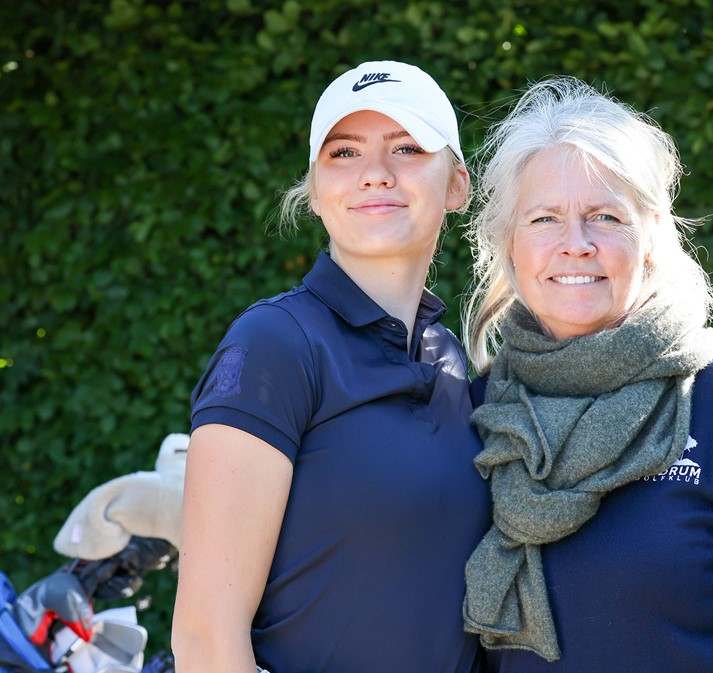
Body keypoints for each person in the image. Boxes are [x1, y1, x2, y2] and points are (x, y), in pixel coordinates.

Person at [459, 77, 713, 673]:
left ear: (651, 236)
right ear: (507, 243)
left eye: (605, 216)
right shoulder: (476, 413)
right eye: (545, 218)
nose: (576, 244)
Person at [171, 60, 491, 673]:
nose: (375, 174)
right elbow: (207, 640)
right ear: (316, 190)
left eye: (406, 147)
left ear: (456, 185)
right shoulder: (275, 343)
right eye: (344, 153)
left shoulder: (453, 361)